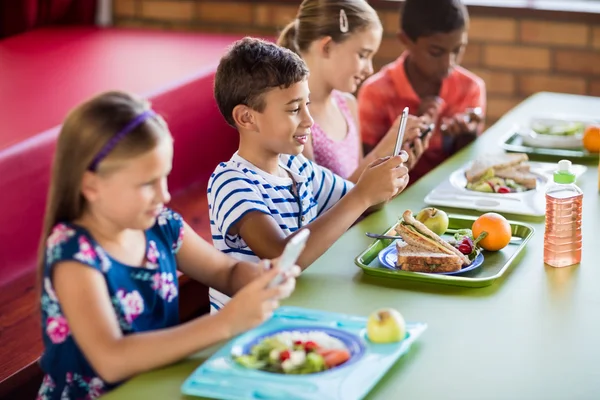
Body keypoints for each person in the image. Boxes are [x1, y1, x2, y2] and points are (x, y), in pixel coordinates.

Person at [36, 91, 298, 399]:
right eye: (148, 183)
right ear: (92, 185)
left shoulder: (162, 224)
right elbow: (111, 359)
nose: (165, 195)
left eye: (165, 178)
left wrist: (260, 279)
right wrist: (225, 323)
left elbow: (226, 272)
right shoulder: (73, 254)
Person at [207, 37, 409, 312]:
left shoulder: (298, 167)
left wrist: (383, 182)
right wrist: (362, 194)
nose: (309, 120)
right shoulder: (230, 182)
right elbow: (281, 255)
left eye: (307, 105)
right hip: (250, 331)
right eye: (293, 109)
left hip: (301, 310)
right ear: (246, 118)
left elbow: (365, 204)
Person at [277, 0, 427, 182]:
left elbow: (361, 193)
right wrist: (382, 150)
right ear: (327, 47)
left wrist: (395, 166)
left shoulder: (348, 105)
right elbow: (318, 203)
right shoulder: (295, 118)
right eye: (363, 55)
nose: (369, 69)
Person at [358, 0, 486, 184]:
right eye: (436, 52)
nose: (448, 63)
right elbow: (367, 172)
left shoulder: (470, 88)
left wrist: (466, 137)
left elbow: (468, 167)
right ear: (406, 41)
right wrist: (410, 133)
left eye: (458, 50)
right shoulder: (376, 92)